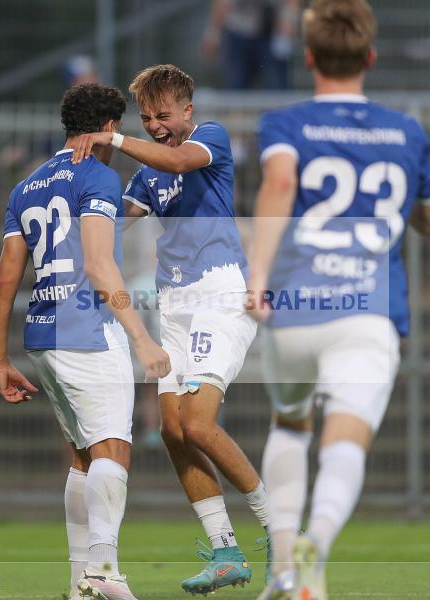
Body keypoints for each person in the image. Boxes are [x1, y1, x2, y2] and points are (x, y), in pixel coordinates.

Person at [246, 1, 430, 598]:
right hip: (367, 312)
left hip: (294, 308)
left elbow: (282, 181)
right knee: (346, 437)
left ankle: (284, 572)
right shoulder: (406, 131)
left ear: (309, 56)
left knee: (290, 425)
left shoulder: (285, 122)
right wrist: (395, 205)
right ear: (370, 56)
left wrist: (258, 271)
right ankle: (318, 542)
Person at [70, 64, 271, 595]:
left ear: (187, 109)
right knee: (172, 429)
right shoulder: (146, 177)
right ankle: (226, 550)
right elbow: (112, 225)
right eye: (146, 117)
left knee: (200, 425)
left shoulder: (209, 139)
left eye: (163, 115)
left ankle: (280, 529)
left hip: (220, 295)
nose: (155, 125)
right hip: (174, 305)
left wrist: (114, 136)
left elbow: (177, 159)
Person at [0, 83, 170, 600]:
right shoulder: (99, 176)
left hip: (42, 334)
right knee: (113, 449)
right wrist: (140, 338)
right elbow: (97, 263)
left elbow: (4, 280)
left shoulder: (25, 188)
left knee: (83, 458)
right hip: (87, 329)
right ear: (110, 128)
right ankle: (104, 572)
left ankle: (79, 582)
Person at [202, 0, 301, 90]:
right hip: (238, 31)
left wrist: (289, 19)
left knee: (277, 89)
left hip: (273, 32)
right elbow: (221, 3)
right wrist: (212, 34)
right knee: (235, 90)